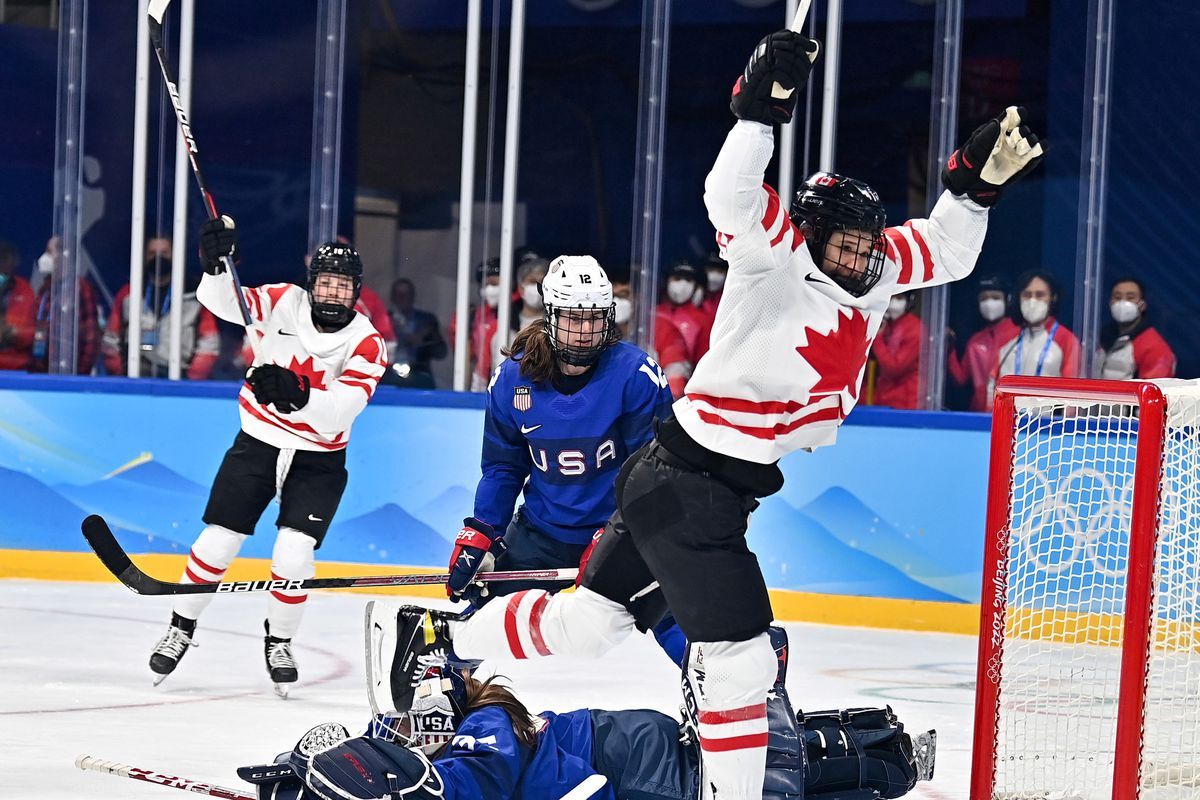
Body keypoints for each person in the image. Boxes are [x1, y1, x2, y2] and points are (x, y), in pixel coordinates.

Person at [403, 26, 1042, 800]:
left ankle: (441, 638)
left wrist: (974, 185)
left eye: (867, 246)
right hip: (690, 485)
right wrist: (757, 112)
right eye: (845, 245)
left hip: (681, 479)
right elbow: (729, 196)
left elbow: (947, 249)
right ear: (811, 233)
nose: (862, 259)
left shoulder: (871, 269)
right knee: (741, 660)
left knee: (591, 625)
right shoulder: (775, 252)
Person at [243, 611, 934, 800]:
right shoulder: (460, 725)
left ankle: (884, 758)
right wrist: (307, 766)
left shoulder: (483, 728)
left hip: (635, 769)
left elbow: (463, 783)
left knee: (752, 781)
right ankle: (885, 750)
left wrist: (414, 780)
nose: (401, 725)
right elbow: (384, 751)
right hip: (629, 753)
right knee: (742, 767)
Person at [147, 216, 388, 696]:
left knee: (294, 556)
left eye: (343, 286)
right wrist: (214, 264)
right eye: (326, 283)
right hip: (257, 443)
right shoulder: (282, 301)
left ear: (356, 291)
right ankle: (180, 627)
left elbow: (341, 411)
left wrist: (298, 393)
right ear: (311, 284)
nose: (334, 294)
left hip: (318, 459)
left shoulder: (367, 342)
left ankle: (280, 641)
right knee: (217, 543)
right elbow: (224, 303)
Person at [444, 254, 681, 659]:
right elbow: (504, 467)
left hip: (623, 531)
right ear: (550, 314)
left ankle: (727, 701)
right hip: (543, 532)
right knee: (481, 623)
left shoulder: (637, 375)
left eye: (594, 318)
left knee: (679, 617)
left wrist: (613, 537)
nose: (585, 331)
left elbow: (654, 474)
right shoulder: (511, 380)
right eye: (573, 317)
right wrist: (482, 531)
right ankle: (439, 697)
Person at [101, 236, 222, 378]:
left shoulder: (196, 295)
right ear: (145, 257)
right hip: (136, 373)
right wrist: (121, 375)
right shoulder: (129, 293)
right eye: (152, 253)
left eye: (164, 253)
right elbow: (111, 338)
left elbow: (209, 342)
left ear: (174, 255)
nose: (158, 258)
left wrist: (192, 380)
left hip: (179, 375)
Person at [28, 235, 101, 374]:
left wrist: (80, 375)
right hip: (41, 371)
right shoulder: (45, 290)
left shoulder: (80, 289)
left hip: (70, 373)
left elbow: (90, 338)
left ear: (64, 256)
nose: (45, 257)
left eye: (50, 252)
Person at [946, 275, 1019, 412]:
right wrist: (949, 349)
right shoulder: (976, 340)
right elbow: (961, 379)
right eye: (984, 298)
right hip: (979, 413)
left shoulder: (1020, 335)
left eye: (995, 297)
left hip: (1012, 413)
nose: (989, 303)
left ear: (1007, 300)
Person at [613, 278, 691, 399]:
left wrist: (665, 405)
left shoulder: (659, 327)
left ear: (639, 297)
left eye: (624, 295)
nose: (617, 301)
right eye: (612, 295)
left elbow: (676, 370)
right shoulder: (599, 328)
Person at [997, 269, 1080, 380]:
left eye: (1040, 295)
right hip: (1009, 398)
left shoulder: (1067, 340)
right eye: (1027, 295)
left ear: (1053, 298)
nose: (1032, 301)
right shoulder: (1007, 337)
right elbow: (992, 382)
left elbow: (1071, 387)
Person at [1096, 276, 1175, 380]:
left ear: (1142, 305)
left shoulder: (1154, 347)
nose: (1122, 303)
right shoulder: (1101, 337)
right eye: (1117, 297)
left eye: (1130, 297)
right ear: (1110, 302)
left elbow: (1152, 389)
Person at [383, 277, 447, 388]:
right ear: (393, 297)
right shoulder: (384, 319)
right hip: (390, 376)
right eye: (398, 294)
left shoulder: (427, 321)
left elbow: (441, 353)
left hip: (419, 375)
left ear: (413, 297)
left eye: (406, 294)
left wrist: (427, 337)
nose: (402, 298)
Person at [868, 291, 924, 409]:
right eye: (891, 297)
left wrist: (877, 339)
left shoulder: (915, 329)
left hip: (905, 402)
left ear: (909, 301)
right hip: (883, 397)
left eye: (898, 297)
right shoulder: (886, 325)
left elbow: (895, 368)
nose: (893, 302)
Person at [657, 259, 713, 365]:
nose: (682, 284)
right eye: (677, 279)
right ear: (666, 282)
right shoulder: (653, 314)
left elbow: (704, 363)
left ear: (695, 286)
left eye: (688, 280)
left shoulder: (704, 320)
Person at [0, 240, 36, 371]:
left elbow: (34, 334)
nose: (4, 264)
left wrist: (12, 333)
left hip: (17, 366)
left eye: (6, 259)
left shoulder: (25, 290)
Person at [699, 252, 728, 319]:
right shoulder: (689, 297)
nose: (715, 277)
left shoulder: (729, 299)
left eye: (720, 271)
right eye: (710, 270)